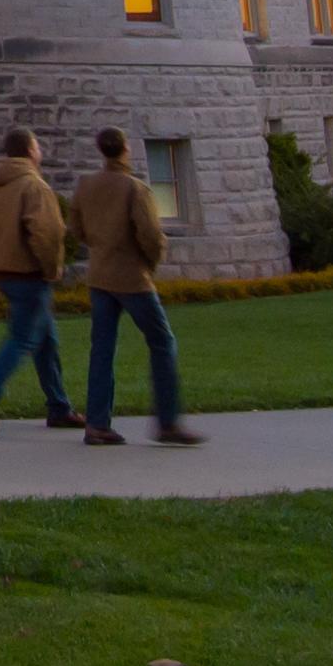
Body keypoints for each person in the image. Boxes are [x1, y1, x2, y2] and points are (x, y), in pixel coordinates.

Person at [72, 127, 205, 448]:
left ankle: (97, 423)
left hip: (99, 276)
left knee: (102, 349)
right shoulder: (135, 189)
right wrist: (150, 262)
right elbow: (150, 235)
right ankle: (168, 421)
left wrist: (100, 247)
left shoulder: (86, 186)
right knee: (162, 342)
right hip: (131, 278)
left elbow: (77, 229)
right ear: (125, 149)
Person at [0, 129, 79, 432]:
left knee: (46, 340)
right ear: (29, 150)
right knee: (23, 339)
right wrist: (52, 268)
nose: (40, 151)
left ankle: (59, 406)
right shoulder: (33, 186)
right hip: (30, 273)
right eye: (38, 146)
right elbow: (47, 234)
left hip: (3, 271)